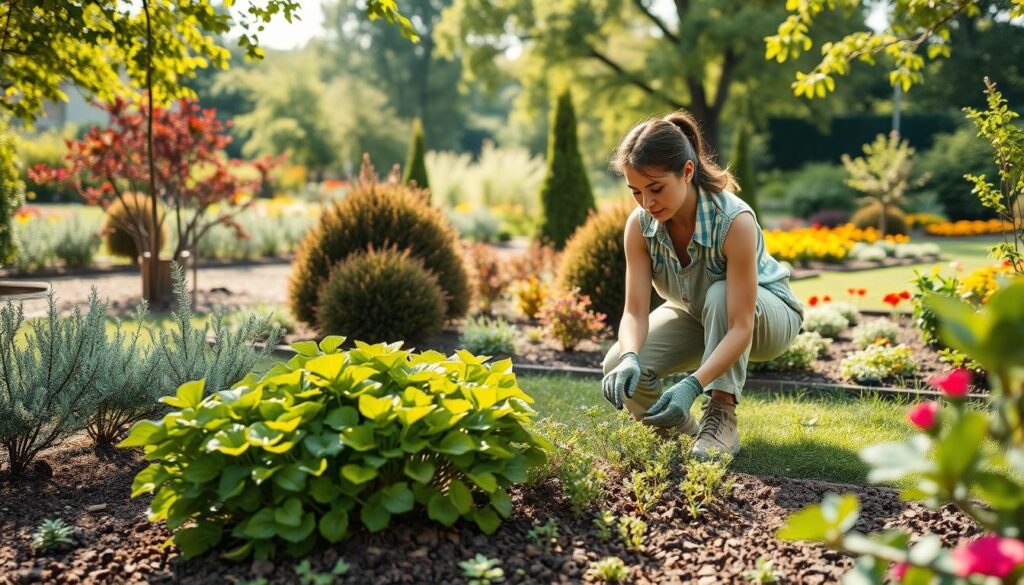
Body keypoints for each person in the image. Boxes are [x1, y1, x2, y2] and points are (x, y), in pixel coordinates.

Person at [600, 111, 804, 460]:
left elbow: (741, 326)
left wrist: (692, 385)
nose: (647, 203)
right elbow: (634, 311)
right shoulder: (640, 225)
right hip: (697, 312)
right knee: (617, 361)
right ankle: (682, 434)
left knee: (720, 293)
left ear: (687, 172)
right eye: (636, 192)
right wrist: (631, 356)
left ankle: (721, 415)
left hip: (766, 318)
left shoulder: (734, 222)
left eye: (656, 188)